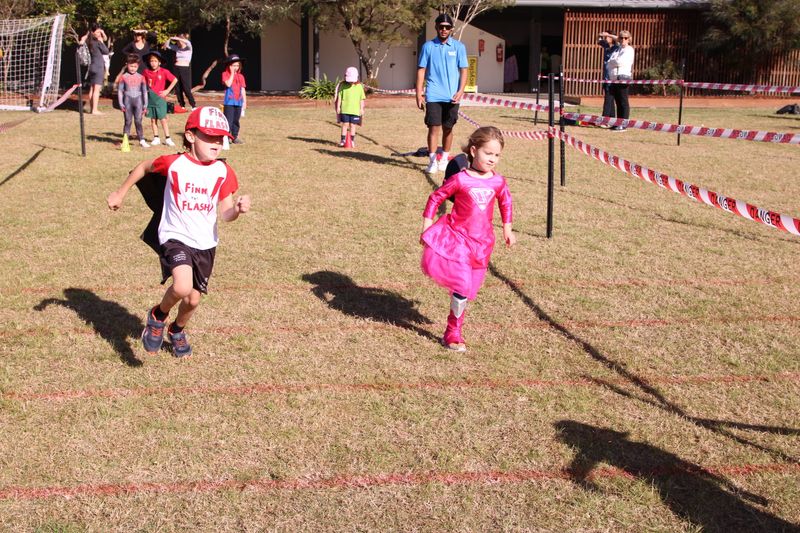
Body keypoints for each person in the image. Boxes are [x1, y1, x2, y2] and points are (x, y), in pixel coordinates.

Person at [106, 106, 251, 358]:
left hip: (205, 243)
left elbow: (226, 214)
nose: (217, 143)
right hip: (175, 236)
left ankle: (176, 330)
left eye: (220, 138)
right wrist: (120, 192)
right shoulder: (173, 164)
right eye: (210, 137)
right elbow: (144, 167)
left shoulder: (223, 171)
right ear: (191, 136)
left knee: (192, 300)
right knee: (182, 287)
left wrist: (237, 210)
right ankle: (157, 315)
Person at [419, 126, 515, 352]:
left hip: (483, 244)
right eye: (488, 153)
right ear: (473, 150)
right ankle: (453, 332)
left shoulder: (498, 182)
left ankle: (455, 324)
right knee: (462, 285)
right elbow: (435, 198)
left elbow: (506, 202)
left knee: (469, 288)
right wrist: (427, 225)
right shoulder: (460, 180)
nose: (492, 159)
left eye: (497, 155)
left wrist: (507, 229)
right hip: (458, 240)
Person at [415, 13, 468, 174]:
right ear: (436, 27)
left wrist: (461, 91)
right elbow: (421, 70)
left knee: (448, 128)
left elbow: (464, 70)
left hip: (452, 96)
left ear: (451, 29)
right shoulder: (428, 46)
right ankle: (432, 162)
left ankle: (444, 159)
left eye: (447, 27)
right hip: (433, 95)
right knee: (433, 128)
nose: (444, 29)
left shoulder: (459, 47)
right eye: (441, 27)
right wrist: (418, 93)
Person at [142, 50, 178, 146]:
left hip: (160, 99)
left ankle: (168, 138)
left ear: (159, 62)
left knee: (163, 119)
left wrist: (167, 91)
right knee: (153, 119)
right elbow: (142, 83)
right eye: (151, 61)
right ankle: (156, 137)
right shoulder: (146, 72)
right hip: (150, 98)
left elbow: (175, 80)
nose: (153, 63)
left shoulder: (164, 71)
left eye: (155, 61)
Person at [118, 54, 149, 148]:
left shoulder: (141, 77)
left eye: (135, 66)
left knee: (138, 121)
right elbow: (120, 91)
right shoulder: (123, 77)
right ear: (127, 65)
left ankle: (142, 140)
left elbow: (144, 92)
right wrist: (121, 103)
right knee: (128, 121)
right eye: (131, 66)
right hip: (127, 102)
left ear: (138, 66)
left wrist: (145, 104)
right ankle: (125, 140)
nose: (132, 68)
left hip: (138, 102)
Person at [606, 30, 634, 132]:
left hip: (623, 77)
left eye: (625, 38)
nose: (623, 40)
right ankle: (618, 123)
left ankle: (624, 125)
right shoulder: (618, 49)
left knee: (623, 102)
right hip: (614, 78)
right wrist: (613, 62)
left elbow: (619, 61)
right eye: (621, 38)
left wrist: (612, 62)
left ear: (629, 39)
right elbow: (610, 61)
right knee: (617, 102)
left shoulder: (629, 50)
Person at [78, 24, 109, 115]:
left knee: (92, 88)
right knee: (96, 90)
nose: (99, 34)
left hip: (91, 67)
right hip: (98, 67)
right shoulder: (97, 42)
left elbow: (82, 41)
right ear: (93, 32)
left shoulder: (88, 41)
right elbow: (106, 51)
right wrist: (101, 41)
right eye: (98, 32)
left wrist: (102, 34)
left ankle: (92, 109)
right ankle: (95, 110)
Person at [334, 66, 366, 147]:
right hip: (345, 110)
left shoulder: (359, 86)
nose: (351, 82)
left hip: (355, 111)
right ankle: (343, 140)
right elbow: (340, 97)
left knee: (353, 125)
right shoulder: (343, 85)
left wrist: (361, 108)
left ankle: (351, 140)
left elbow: (362, 98)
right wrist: (338, 107)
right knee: (345, 124)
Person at [164, 32, 196, 110]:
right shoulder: (177, 48)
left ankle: (193, 105)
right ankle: (182, 105)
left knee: (186, 89)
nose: (178, 42)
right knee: (178, 88)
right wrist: (170, 38)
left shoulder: (188, 47)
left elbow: (187, 42)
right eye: (177, 41)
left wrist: (178, 38)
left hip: (185, 69)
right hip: (176, 68)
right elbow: (167, 45)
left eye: (179, 40)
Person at [221, 54, 247, 144]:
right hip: (229, 102)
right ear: (229, 66)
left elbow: (243, 89)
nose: (235, 67)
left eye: (237, 65)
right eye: (233, 65)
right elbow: (228, 84)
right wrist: (232, 73)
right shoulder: (225, 74)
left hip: (238, 102)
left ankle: (234, 137)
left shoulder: (241, 76)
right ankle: (227, 137)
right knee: (228, 120)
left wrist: (244, 102)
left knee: (236, 120)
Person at [597, 30, 619, 121]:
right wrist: (599, 35)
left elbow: (618, 39)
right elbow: (598, 41)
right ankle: (612, 118)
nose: (606, 38)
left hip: (612, 76)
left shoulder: (617, 47)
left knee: (608, 98)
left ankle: (604, 118)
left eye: (608, 37)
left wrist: (609, 35)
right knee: (610, 98)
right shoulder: (606, 46)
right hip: (606, 76)